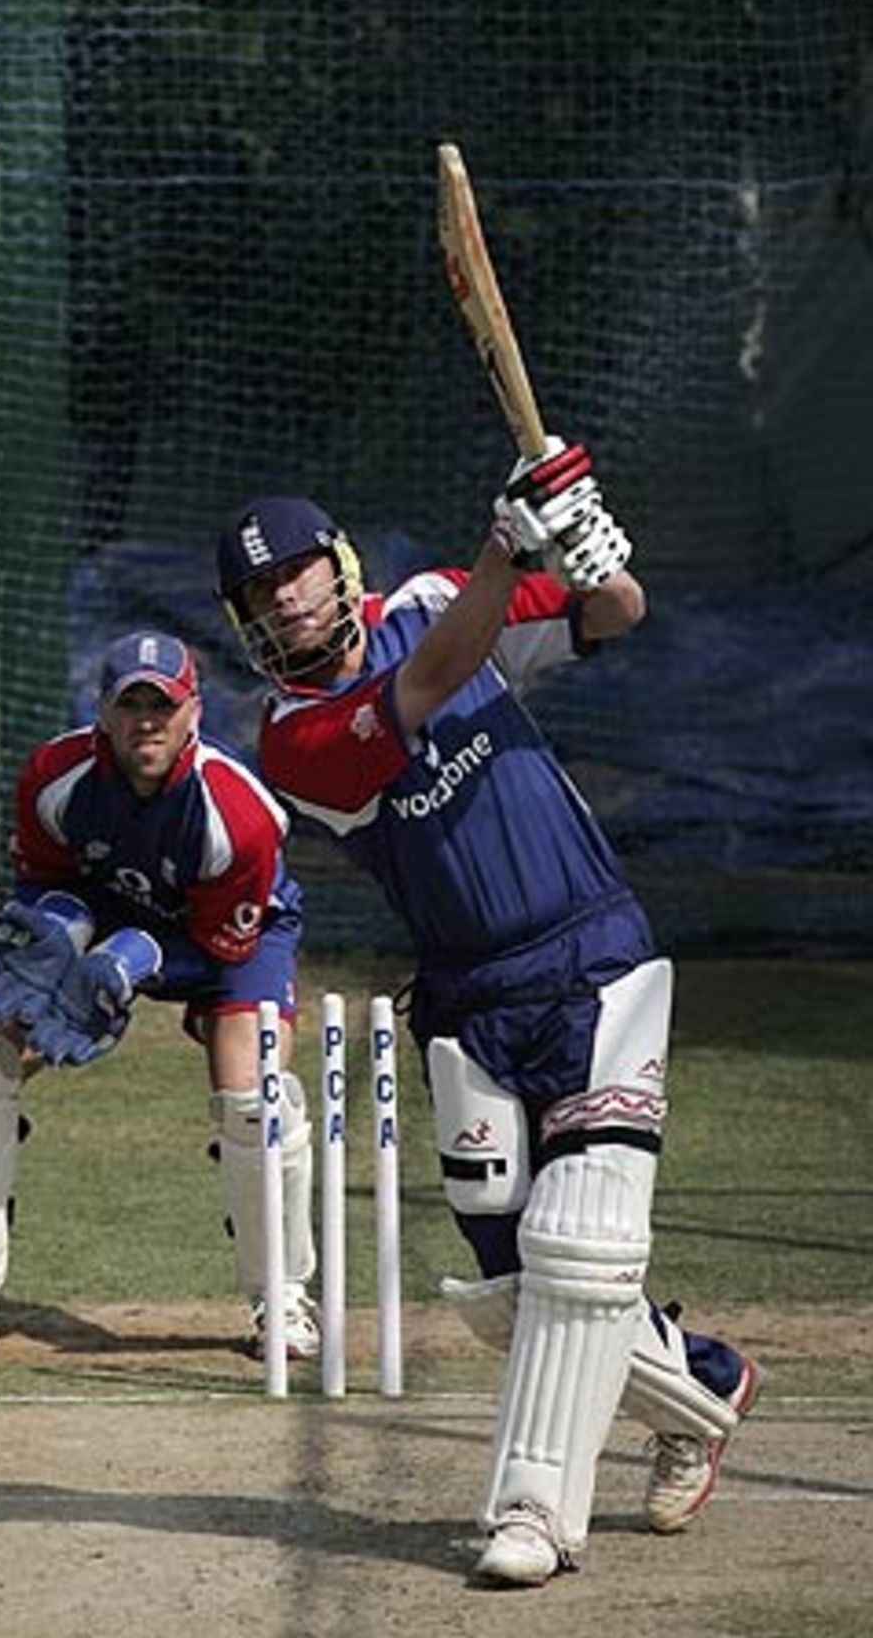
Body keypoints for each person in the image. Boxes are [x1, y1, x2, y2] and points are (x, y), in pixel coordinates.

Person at [214, 441, 760, 1587]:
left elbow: (614, 610)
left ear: (338, 564)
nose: (285, 600)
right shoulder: (287, 736)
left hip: (590, 953)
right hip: (467, 997)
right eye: (261, 593)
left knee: (578, 1247)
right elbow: (419, 691)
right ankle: (699, 1384)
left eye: (298, 572)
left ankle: (528, 1516)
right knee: (518, 1289)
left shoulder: (426, 603)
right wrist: (506, 547)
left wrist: (591, 551)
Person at [0, 629, 320, 1364]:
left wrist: (128, 962)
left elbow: (221, 945)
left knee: (252, 1092)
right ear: (103, 711)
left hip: (231, 940)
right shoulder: (54, 777)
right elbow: (45, 879)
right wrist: (63, 934)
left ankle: (281, 1297)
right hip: (112, 923)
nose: (146, 722)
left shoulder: (237, 817)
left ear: (194, 710)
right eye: (130, 705)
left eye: (162, 705)